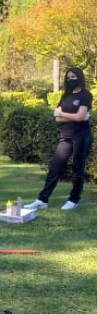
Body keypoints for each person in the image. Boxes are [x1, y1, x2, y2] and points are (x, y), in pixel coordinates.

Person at [25, 67, 92, 211]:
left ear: (79, 77)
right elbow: (57, 118)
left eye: (73, 77)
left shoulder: (85, 95)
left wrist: (63, 114)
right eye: (68, 77)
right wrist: (71, 116)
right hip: (65, 135)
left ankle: (74, 199)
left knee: (77, 168)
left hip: (81, 135)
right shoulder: (66, 96)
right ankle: (42, 200)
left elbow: (79, 117)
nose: (70, 79)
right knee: (55, 168)